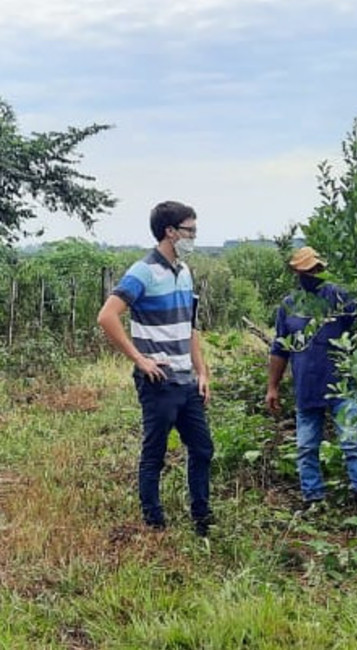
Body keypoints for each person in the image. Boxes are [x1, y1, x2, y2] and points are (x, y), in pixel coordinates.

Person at [97, 200, 214, 536]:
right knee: (155, 453)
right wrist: (140, 359)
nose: (194, 236)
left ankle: (202, 517)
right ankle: (154, 522)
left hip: (186, 380)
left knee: (203, 448)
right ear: (170, 231)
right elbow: (107, 316)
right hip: (158, 380)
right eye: (190, 229)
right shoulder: (143, 271)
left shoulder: (185, 272)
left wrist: (202, 371)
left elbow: (189, 327)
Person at [265, 246, 357, 515]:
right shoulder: (289, 306)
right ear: (297, 272)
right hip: (306, 388)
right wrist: (272, 387)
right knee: (306, 447)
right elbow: (279, 349)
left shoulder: (340, 297)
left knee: (352, 443)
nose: (312, 274)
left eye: (316, 269)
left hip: (341, 385)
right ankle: (313, 498)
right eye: (307, 270)